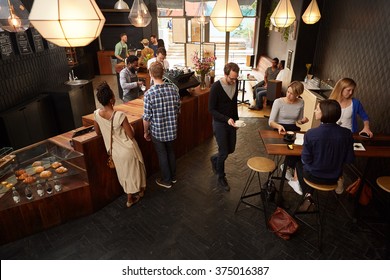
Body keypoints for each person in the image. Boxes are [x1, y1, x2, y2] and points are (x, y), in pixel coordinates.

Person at [93, 82, 146, 208]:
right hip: (127, 149)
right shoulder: (119, 115)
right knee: (136, 171)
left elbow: (97, 131)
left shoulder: (96, 114)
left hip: (114, 152)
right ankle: (140, 192)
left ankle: (129, 199)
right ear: (112, 99)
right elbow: (131, 135)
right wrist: (131, 128)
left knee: (124, 174)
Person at [288, 99, 355, 197]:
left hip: (314, 177)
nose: (315, 111)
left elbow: (306, 159)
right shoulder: (347, 134)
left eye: (317, 109)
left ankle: (306, 194)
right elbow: (349, 159)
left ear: (325, 113)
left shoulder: (311, 134)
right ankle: (309, 194)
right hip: (334, 178)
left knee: (298, 164)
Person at [142, 62, 181, 189]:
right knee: (170, 152)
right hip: (172, 129)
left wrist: (145, 132)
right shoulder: (174, 90)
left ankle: (166, 180)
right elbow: (178, 110)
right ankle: (173, 177)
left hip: (158, 131)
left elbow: (146, 118)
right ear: (163, 72)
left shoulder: (149, 94)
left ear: (150, 74)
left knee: (162, 154)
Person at [208, 62, 241, 191]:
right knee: (223, 152)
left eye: (235, 78)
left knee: (231, 149)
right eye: (231, 78)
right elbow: (211, 109)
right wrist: (227, 119)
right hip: (219, 122)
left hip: (231, 122)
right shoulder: (216, 87)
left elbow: (233, 104)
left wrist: (236, 121)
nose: (234, 81)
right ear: (225, 74)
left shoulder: (235, 83)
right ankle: (221, 177)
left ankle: (214, 158)